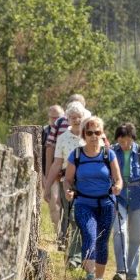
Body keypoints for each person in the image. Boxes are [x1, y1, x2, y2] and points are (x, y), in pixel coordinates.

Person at [63, 115, 122, 280]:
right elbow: (67, 180)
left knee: (102, 240)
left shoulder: (108, 154)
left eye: (97, 132)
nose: (94, 136)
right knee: (89, 234)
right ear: (84, 134)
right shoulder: (77, 155)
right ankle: (90, 276)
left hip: (106, 203)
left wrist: (118, 187)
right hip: (83, 203)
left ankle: (99, 279)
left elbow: (118, 179)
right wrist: (68, 191)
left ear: (102, 134)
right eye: (90, 132)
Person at [110, 123, 140, 280]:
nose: (124, 144)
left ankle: (132, 274)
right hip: (118, 196)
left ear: (132, 139)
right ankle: (121, 271)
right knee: (119, 231)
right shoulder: (113, 151)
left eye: (126, 141)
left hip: (138, 196)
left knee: (136, 236)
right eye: (121, 141)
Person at [46, 103, 88, 255]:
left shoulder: (89, 136)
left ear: (84, 118)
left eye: (79, 117)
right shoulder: (62, 138)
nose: (76, 120)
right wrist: (47, 185)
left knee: (78, 216)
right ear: (68, 120)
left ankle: (78, 254)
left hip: (87, 182)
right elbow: (57, 163)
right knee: (69, 215)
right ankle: (71, 250)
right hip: (67, 181)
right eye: (73, 117)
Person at [41, 104, 65, 229]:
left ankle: (66, 233)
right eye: (52, 118)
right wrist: (43, 176)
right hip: (49, 173)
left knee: (64, 203)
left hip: (66, 173)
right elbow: (38, 156)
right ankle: (59, 234)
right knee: (53, 202)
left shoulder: (68, 131)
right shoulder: (44, 132)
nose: (54, 121)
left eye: (57, 118)